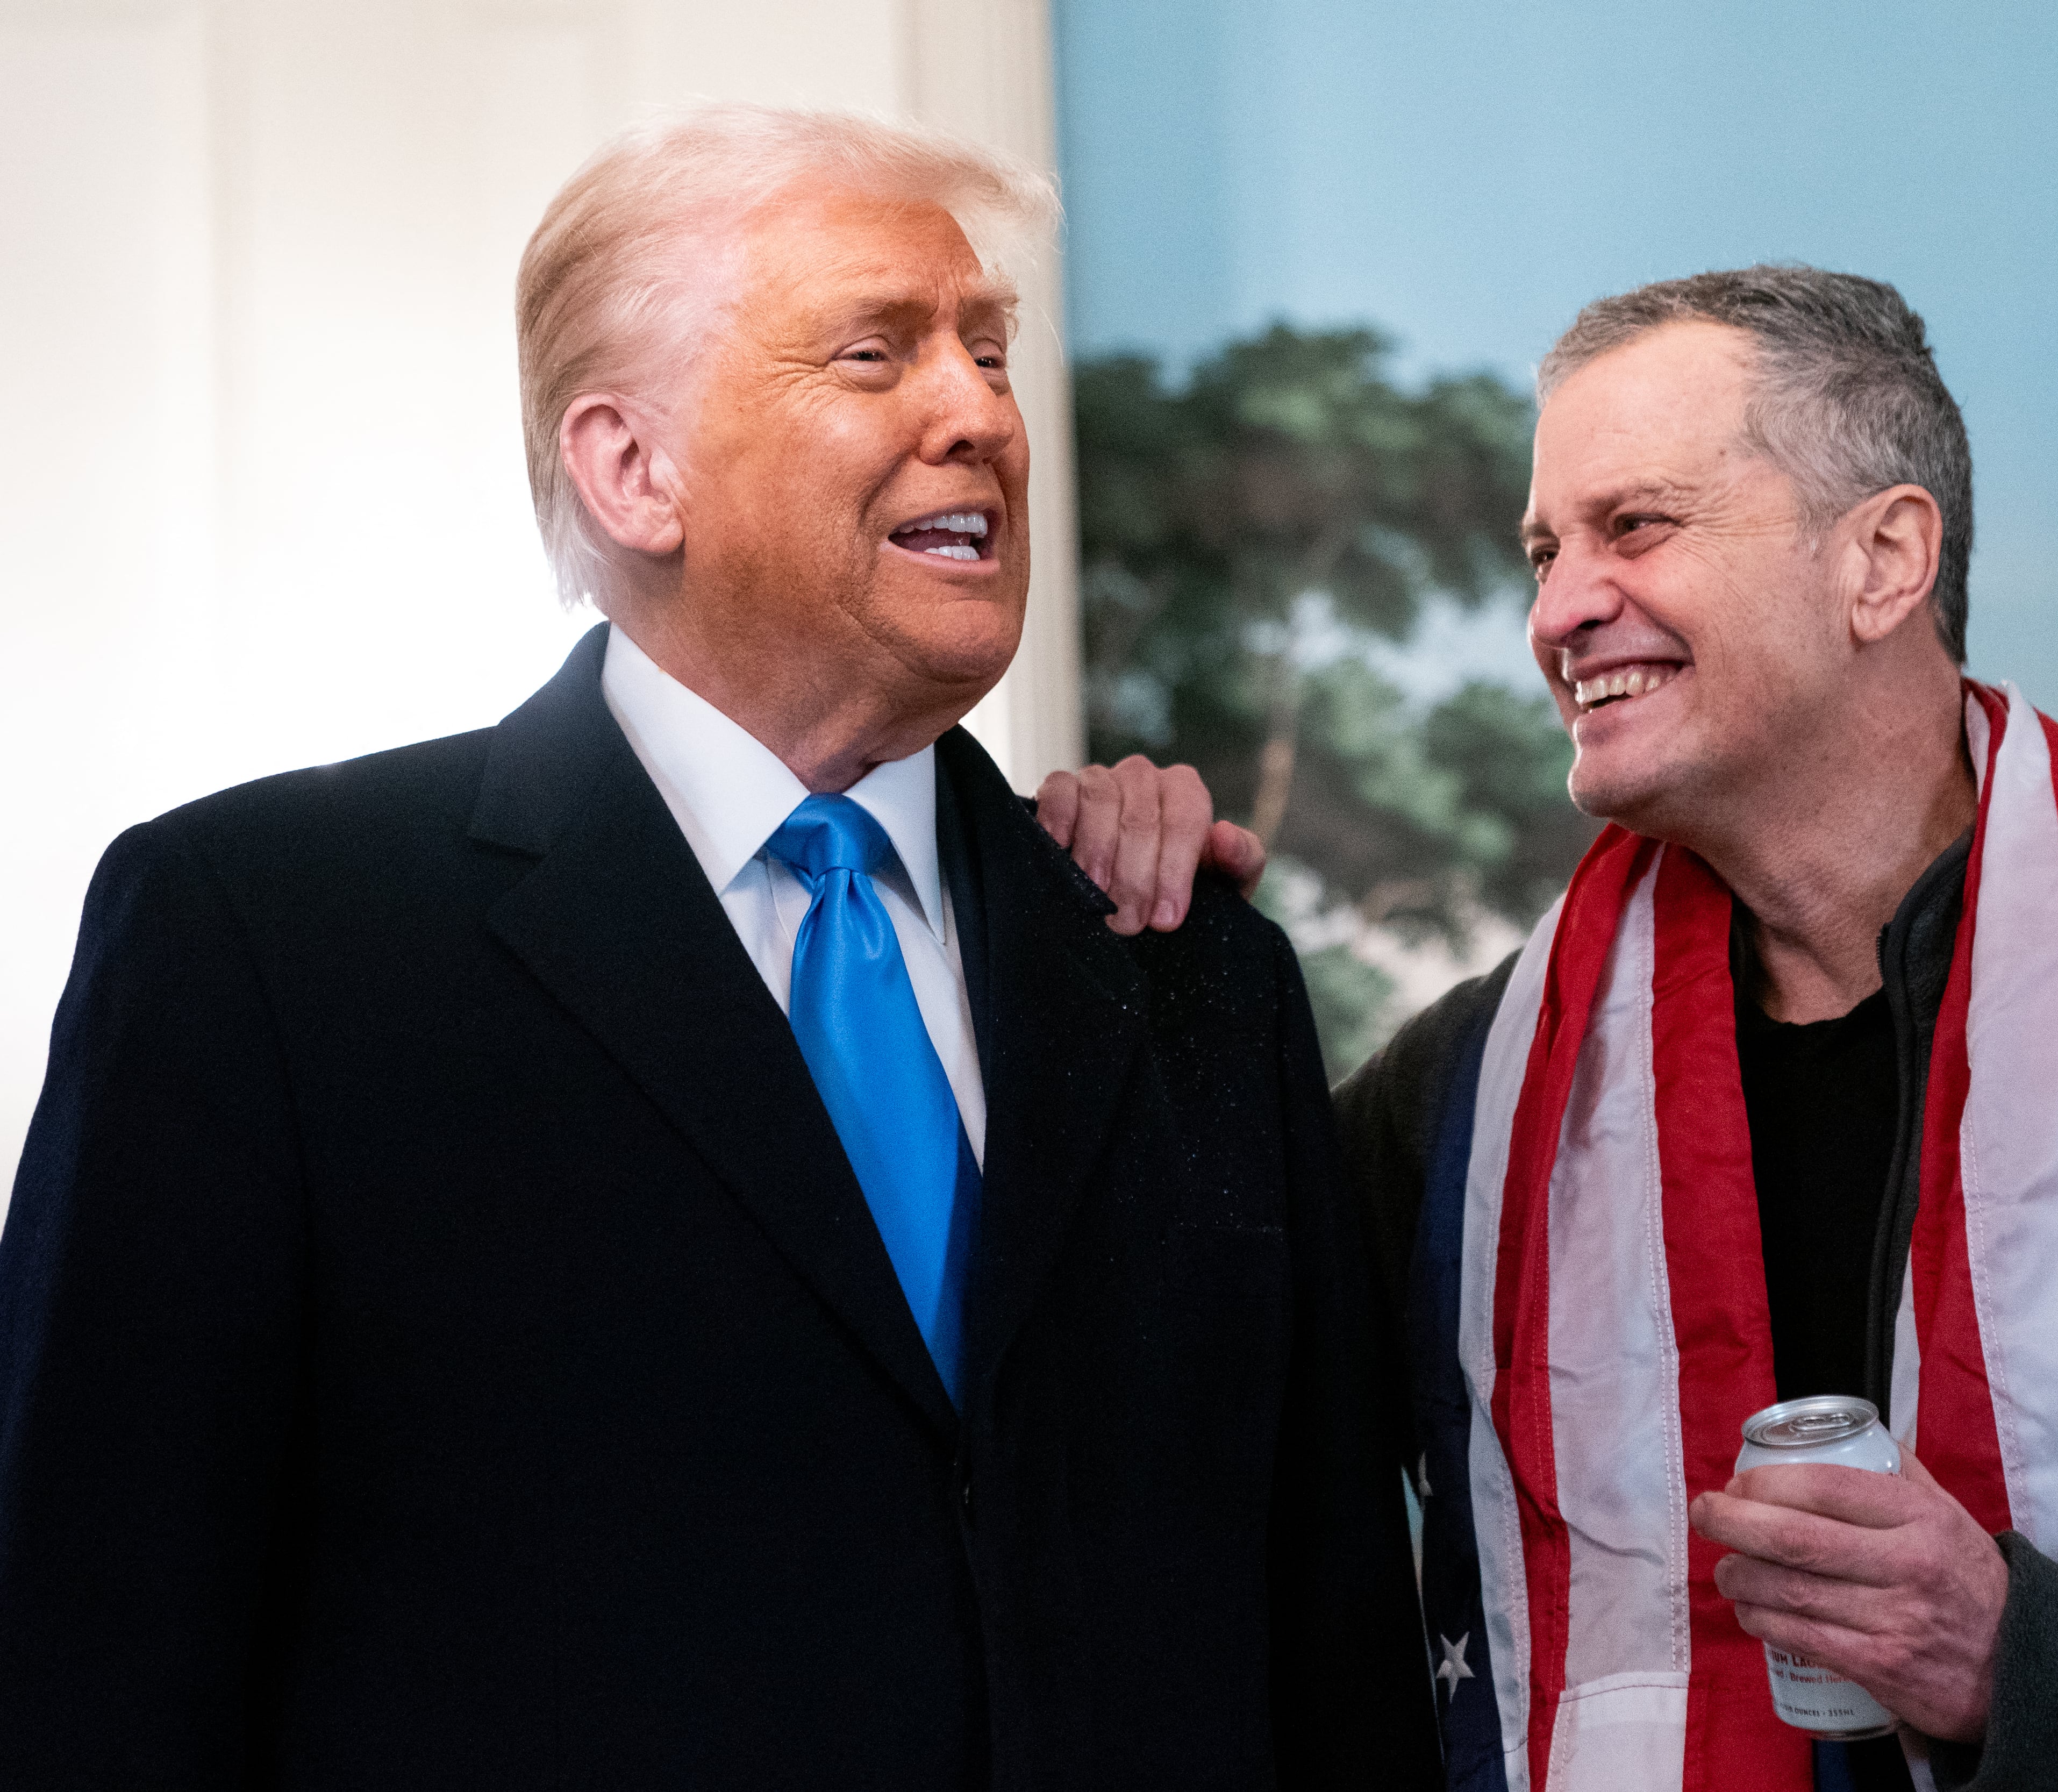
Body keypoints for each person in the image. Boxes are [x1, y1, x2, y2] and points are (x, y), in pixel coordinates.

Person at [1042, 265, 2058, 1789]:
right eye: (1544, 553)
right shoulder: (1468, 1100)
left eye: (1636, 526)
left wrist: (2029, 1658)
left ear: (1883, 561)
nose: (1559, 612)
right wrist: (1123, 961)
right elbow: (1139, 1468)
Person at [0, 104, 1435, 1790]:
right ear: (632, 470)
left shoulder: (1189, 967)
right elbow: (89, 1657)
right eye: (875, 352)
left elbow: (1335, 1659)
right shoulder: (262, 940)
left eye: (987, 350)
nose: (981, 413)